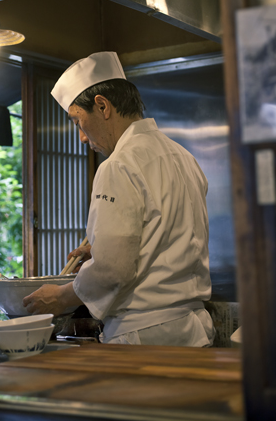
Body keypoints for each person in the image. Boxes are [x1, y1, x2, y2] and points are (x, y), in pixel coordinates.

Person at [23, 51, 215, 347]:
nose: (82, 138)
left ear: (102, 106)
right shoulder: (184, 157)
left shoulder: (118, 165)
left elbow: (113, 270)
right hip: (194, 330)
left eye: (77, 121)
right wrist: (100, 249)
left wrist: (60, 297)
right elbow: (163, 239)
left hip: (145, 337)